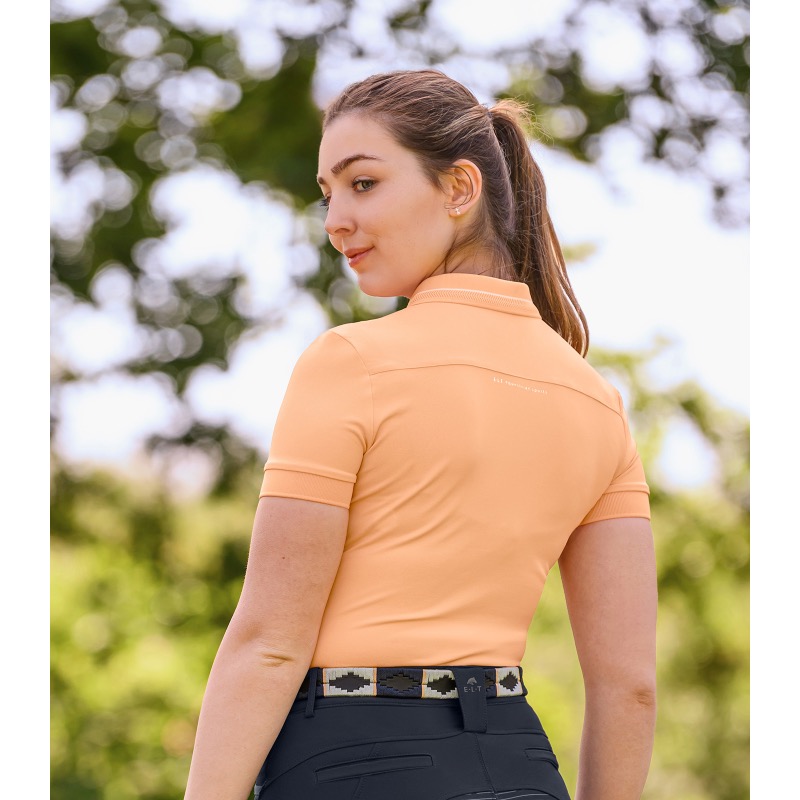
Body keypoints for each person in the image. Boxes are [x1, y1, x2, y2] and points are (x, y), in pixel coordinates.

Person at [183, 69, 657, 800]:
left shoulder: (351, 362)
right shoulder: (598, 402)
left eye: (363, 183)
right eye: (328, 194)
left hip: (351, 765)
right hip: (522, 767)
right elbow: (630, 686)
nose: (336, 220)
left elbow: (270, 645)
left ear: (460, 188)